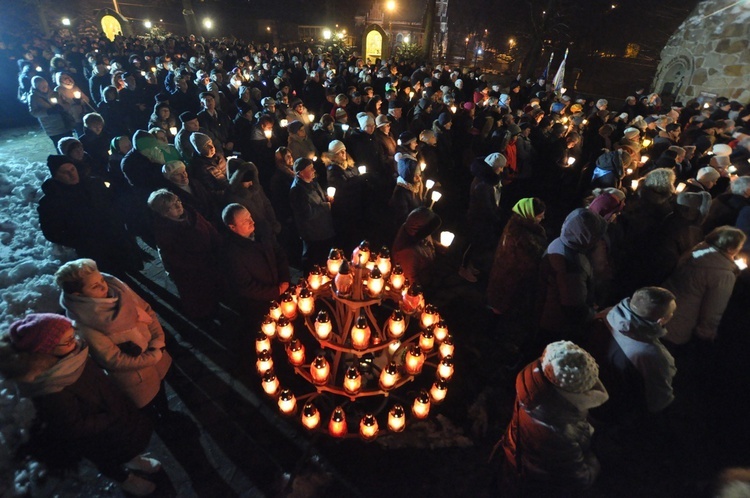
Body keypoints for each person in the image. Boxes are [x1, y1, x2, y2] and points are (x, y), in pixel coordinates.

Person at [0, 314, 160, 496]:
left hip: (111, 414)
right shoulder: (51, 388)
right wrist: (108, 417)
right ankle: (126, 480)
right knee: (108, 457)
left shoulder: (72, 353)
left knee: (125, 445)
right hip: (97, 434)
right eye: (67, 340)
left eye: (73, 334)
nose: (75, 341)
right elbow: (73, 426)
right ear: (46, 349)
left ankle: (133, 460)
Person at [500, 341, 609, 494]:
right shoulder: (561, 433)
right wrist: (595, 463)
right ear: (575, 396)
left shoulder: (532, 385)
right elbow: (579, 478)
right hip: (541, 483)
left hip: (519, 460)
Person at [585, 287, 678, 422]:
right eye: (671, 313)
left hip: (589, 386)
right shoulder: (653, 355)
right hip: (613, 411)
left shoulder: (607, 314)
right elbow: (658, 400)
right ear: (661, 320)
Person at [37, 155, 142, 274]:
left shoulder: (94, 183)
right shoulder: (51, 202)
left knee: (132, 270)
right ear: (56, 176)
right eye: (65, 172)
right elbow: (51, 232)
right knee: (115, 279)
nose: (72, 174)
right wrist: (82, 240)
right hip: (95, 250)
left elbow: (114, 201)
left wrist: (119, 219)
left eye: (72, 169)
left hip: (118, 239)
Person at [662, 226, 746, 346]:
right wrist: (706, 332)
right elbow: (714, 308)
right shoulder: (724, 275)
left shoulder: (699, 250)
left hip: (660, 306)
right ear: (731, 248)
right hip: (677, 324)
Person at [147, 189, 222, 322]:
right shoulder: (165, 233)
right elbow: (178, 259)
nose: (178, 205)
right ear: (164, 213)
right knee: (203, 299)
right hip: (194, 273)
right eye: (172, 206)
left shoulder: (192, 214)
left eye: (177, 201)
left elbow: (209, 228)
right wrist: (202, 262)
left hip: (211, 261)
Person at [537, 208, 608, 343]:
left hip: (547, 315)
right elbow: (573, 307)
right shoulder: (571, 264)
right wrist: (594, 315)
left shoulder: (563, 242)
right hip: (556, 323)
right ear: (587, 235)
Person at [219, 204, 291, 321]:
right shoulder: (232, 253)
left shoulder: (262, 232)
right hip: (260, 305)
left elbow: (279, 253)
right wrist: (275, 291)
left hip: (282, 288)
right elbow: (246, 287)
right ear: (232, 227)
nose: (251, 222)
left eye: (250, 216)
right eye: (244, 221)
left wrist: (285, 280)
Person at [289, 157, 336, 272]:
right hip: (313, 234)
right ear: (301, 173)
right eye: (310, 169)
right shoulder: (297, 190)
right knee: (311, 261)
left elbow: (319, 195)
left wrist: (326, 197)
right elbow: (307, 213)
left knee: (323, 259)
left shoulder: (312, 181)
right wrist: (326, 206)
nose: (314, 170)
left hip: (323, 230)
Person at [392, 207, 441, 288]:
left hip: (433, 274)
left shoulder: (421, 233)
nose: (430, 233)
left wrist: (438, 245)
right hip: (427, 286)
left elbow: (427, 242)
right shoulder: (407, 254)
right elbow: (411, 283)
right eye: (430, 229)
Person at [28, 75, 74, 147]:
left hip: (65, 124)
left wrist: (62, 108)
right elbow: (34, 112)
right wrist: (48, 111)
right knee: (61, 146)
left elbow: (66, 104)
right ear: (36, 87)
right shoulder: (33, 97)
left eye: (45, 84)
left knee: (72, 145)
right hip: (52, 127)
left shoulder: (55, 93)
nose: (44, 87)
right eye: (40, 85)